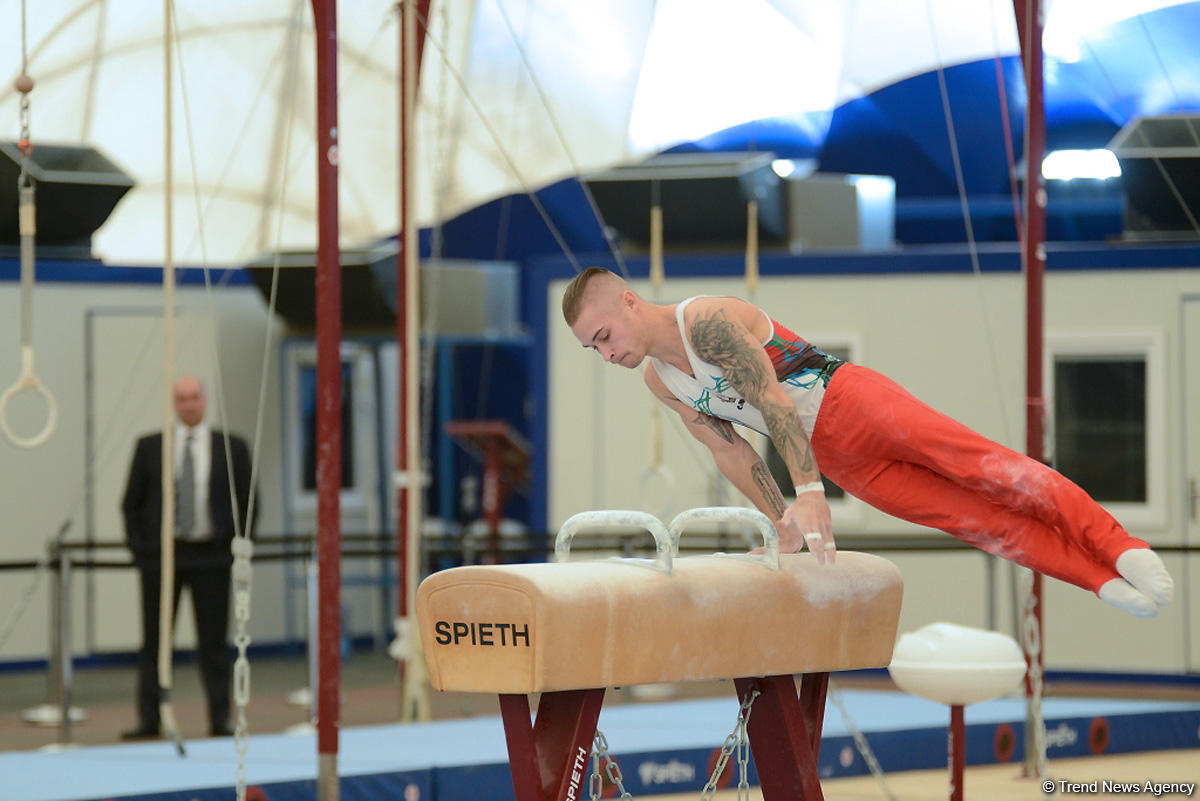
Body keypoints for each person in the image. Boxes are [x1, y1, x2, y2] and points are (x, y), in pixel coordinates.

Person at [562, 267, 1174, 618]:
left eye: (604, 335)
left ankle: (1118, 547)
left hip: (852, 402)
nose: (605, 353)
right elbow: (731, 451)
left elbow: (774, 401)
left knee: (995, 472)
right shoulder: (660, 381)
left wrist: (809, 492)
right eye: (593, 348)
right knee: (976, 522)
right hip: (838, 462)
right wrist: (783, 522)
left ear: (629, 301)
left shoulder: (706, 322)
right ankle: (1098, 580)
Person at [120, 375, 254, 739]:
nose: (189, 404)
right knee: (155, 642)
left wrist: (238, 548)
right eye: (181, 398)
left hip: (212, 556)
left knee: (214, 643)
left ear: (205, 399)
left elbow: (248, 500)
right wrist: (142, 550)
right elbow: (131, 503)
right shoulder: (150, 447)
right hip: (162, 558)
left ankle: (220, 718)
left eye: (194, 397)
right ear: (173, 403)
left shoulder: (232, 447)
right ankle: (149, 718)